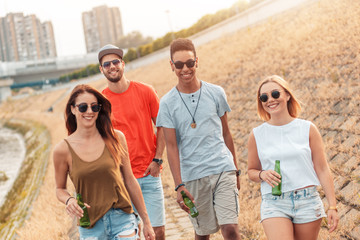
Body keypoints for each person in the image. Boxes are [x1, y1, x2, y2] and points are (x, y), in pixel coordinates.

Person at [156, 38, 241, 240]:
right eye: (179, 64)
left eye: (190, 63)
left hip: (222, 169)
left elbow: (226, 133)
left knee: (230, 229)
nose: (185, 68)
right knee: (202, 234)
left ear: (197, 62)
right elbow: (171, 146)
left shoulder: (216, 93)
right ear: (172, 66)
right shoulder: (167, 103)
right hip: (193, 176)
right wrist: (179, 185)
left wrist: (235, 170)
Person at [53, 84, 155, 240]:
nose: (89, 111)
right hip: (91, 226)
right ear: (73, 109)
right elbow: (60, 189)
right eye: (83, 107)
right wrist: (69, 200)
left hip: (122, 218)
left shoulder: (116, 138)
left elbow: (129, 180)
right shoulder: (62, 150)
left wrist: (147, 221)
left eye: (94, 107)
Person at [247, 75, 339, 240]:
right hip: (274, 202)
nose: (270, 100)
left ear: (287, 95)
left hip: (307, 201)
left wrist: (332, 206)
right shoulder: (257, 134)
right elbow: (251, 171)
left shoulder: (308, 129)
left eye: (275, 94)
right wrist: (262, 174)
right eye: (264, 97)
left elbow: (323, 169)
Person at [98, 44, 166, 240]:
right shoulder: (101, 102)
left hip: (149, 173)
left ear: (123, 64)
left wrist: (158, 159)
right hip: (122, 179)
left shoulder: (146, 91)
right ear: (101, 69)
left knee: (158, 232)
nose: (112, 66)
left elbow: (162, 127)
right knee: (133, 233)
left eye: (115, 62)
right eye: (107, 64)